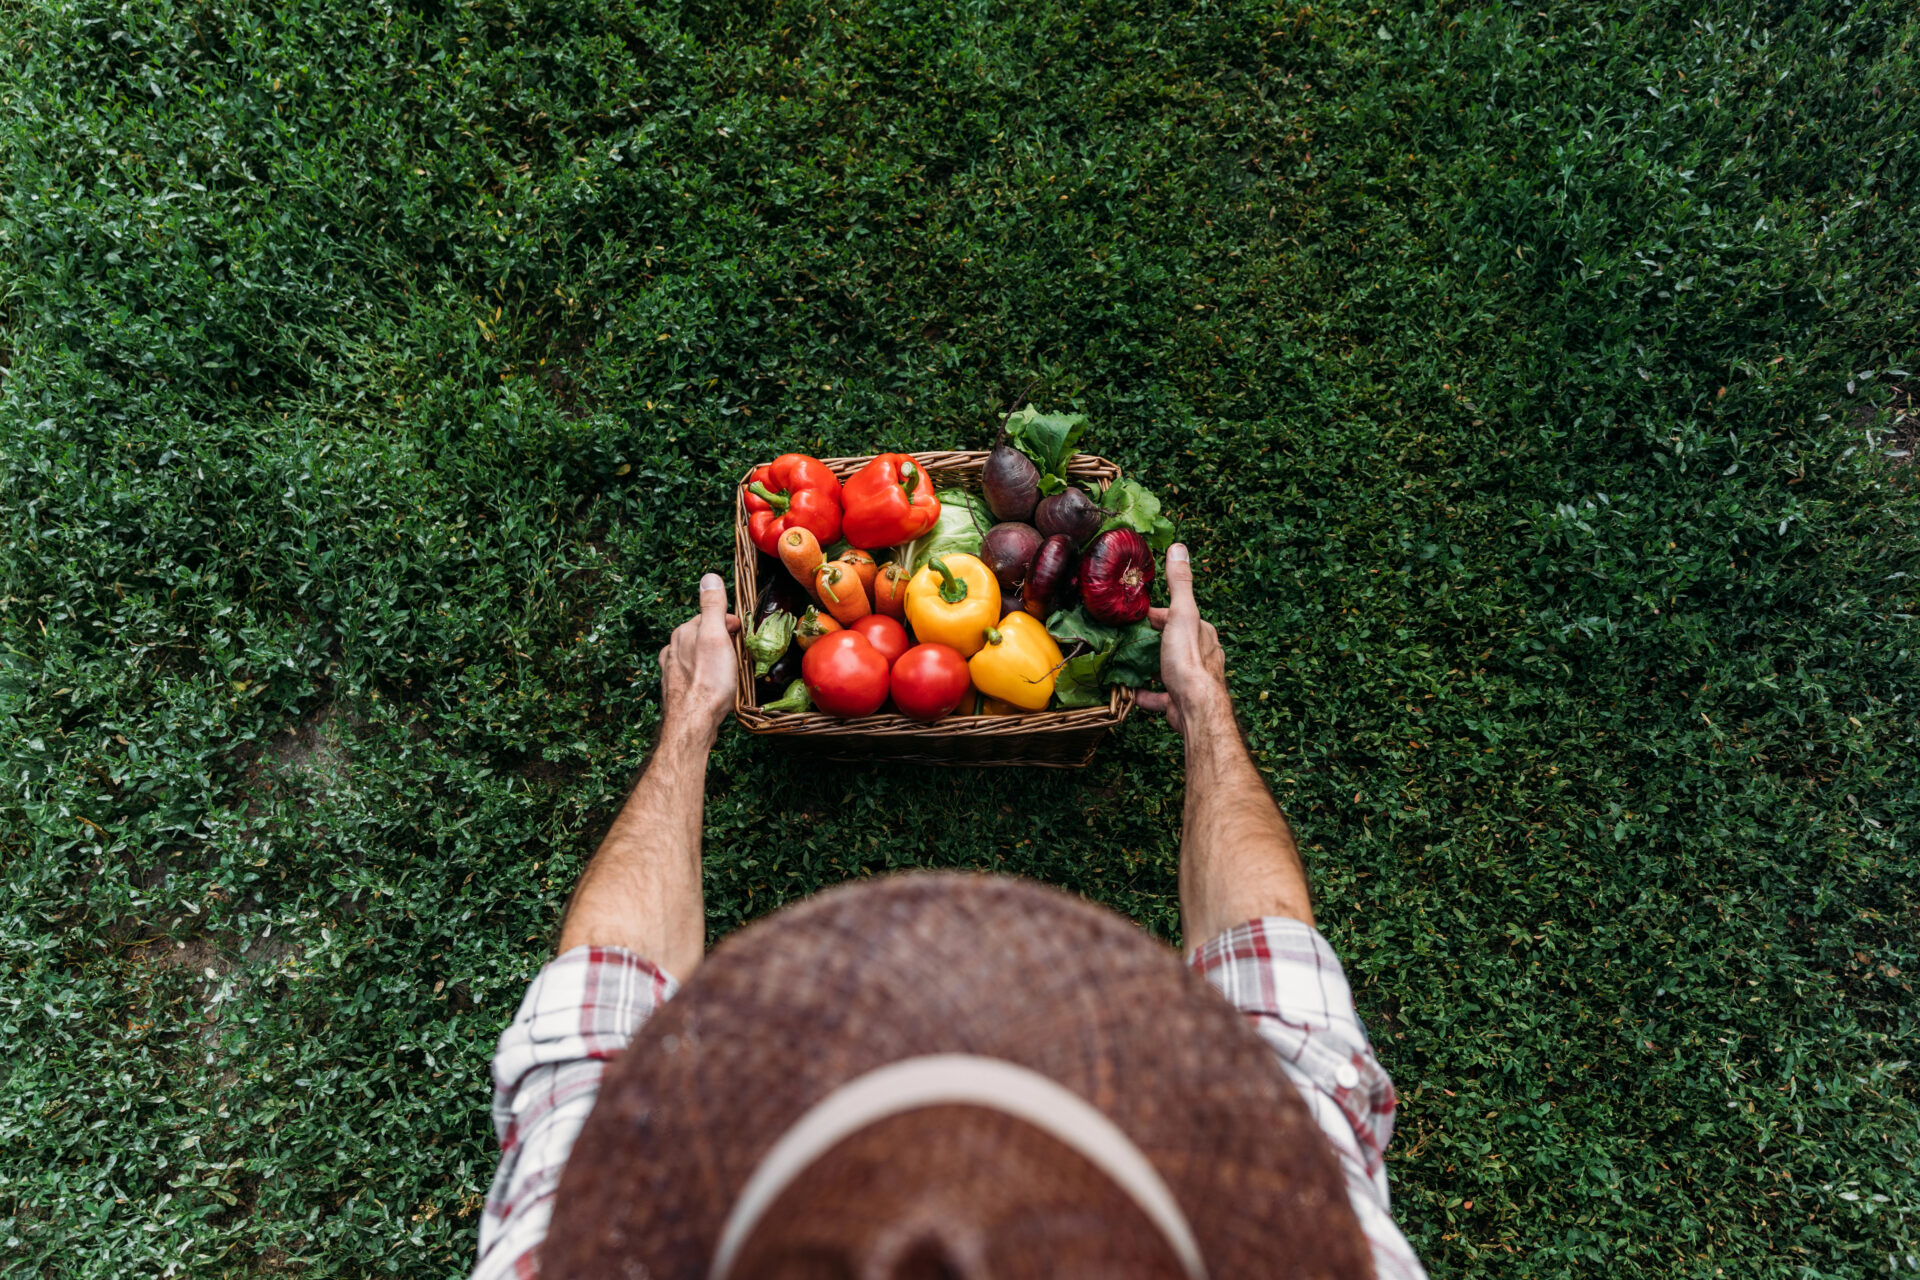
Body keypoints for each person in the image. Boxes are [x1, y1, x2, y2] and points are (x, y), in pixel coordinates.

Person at [472, 545, 1426, 1280]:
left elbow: (592, 1017)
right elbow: (1275, 976)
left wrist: (690, 718)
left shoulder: (567, 1251)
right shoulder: (1327, 1237)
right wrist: (1205, 707)